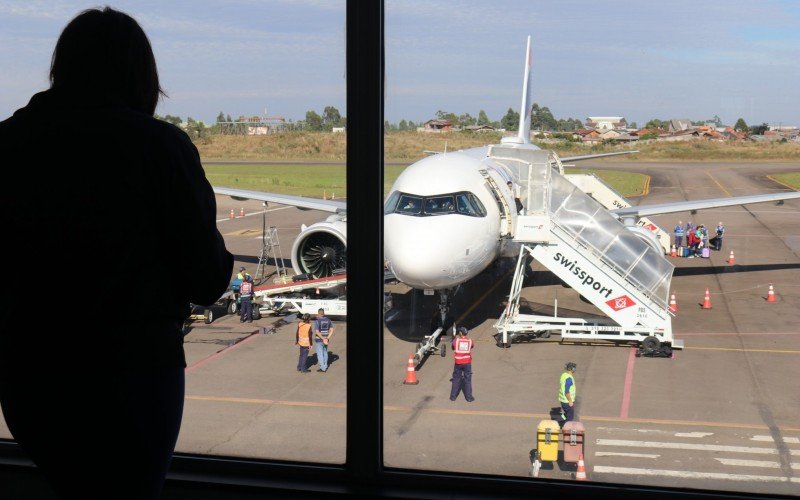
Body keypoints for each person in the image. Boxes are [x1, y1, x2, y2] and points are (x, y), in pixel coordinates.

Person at [0, 8, 233, 499]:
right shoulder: (161, 148)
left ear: (61, 68)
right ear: (142, 77)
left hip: (31, 371)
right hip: (133, 375)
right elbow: (207, 279)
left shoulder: (9, 142)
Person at [449, 326, 475, 402]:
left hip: (458, 363)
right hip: (467, 363)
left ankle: (453, 397)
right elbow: (472, 346)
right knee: (468, 380)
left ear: (460, 333)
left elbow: (453, 347)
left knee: (456, 379)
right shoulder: (470, 341)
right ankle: (469, 398)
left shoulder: (456, 341)